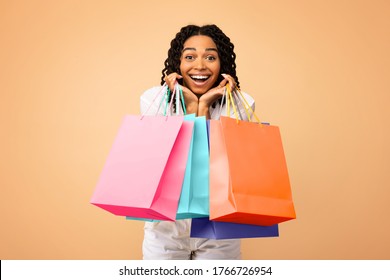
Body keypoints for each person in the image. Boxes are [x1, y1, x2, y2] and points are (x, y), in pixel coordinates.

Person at [140, 24, 255, 260]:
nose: (200, 66)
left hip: (220, 230)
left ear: (222, 65)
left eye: (210, 57)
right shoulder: (154, 100)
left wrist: (201, 106)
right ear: (178, 63)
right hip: (165, 229)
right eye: (190, 56)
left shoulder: (241, 103)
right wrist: (193, 106)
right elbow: (172, 166)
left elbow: (212, 168)